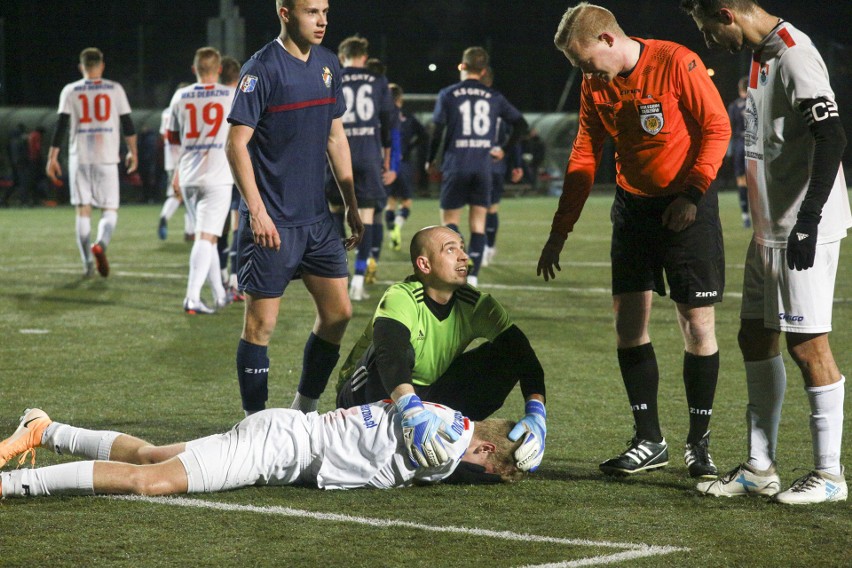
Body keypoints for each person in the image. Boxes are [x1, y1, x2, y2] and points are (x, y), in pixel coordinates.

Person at [537, 3, 731, 479]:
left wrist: (693, 192)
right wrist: (561, 229)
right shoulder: (594, 85)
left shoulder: (675, 62)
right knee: (628, 323)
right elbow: (584, 154)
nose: (588, 75)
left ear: (607, 40)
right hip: (633, 208)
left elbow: (717, 127)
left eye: (586, 63)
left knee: (697, 323)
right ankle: (649, 439)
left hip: (687, 204)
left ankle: (698, 443)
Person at [681, 0, 850, 504]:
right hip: (768, 228)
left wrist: (809, 217)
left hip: (803, 228)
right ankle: (759, 466)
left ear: (728, 13)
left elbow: (832, 135)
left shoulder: (796, 54)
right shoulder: (760, 53)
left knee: (807, 346)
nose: (708, 39)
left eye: (709, 28)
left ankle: (830, 476)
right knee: (754, 336)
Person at [226, 0, 363, 416]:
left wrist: (351, 204)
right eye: (311, 12)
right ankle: (255, 422)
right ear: (285, 13)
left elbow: (335, 138)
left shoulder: (327, 64)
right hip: (274, 223)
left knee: (339, 314)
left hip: (318, 221)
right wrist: (257, 211)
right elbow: (235, 144)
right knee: (260, 326)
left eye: (324, 11)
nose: (322, 20)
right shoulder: (261, 68)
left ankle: (304, 406)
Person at [337, 225, 547, 472]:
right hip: (364, 394)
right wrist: (411, 410)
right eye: (450, 250)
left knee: (509, 354)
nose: (463, 256)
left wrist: (537, 414)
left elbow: (524, 355)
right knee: (400, 349)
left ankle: (451, 444)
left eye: (462, 248)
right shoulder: (401, 296)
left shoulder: (479, 305)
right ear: (425, 265)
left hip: (426, 394)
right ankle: (386, 438)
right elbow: (390, 356)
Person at [0, 404, 525, 499]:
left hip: (285, 431)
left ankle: (44, 430)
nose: (475, 474)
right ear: (482, 445)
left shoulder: (446, 417)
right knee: (148, 481)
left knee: (151, 455)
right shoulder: (451, 443)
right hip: (280, 447)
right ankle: (11, 484)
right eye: (487, 467)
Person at [427, 47, 527, 288]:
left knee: (450, 222)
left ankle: (455, 272)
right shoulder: (494, 97)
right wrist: (503, 148)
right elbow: (521, 124)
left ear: (462, 66)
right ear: (483, 71)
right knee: (478, 224)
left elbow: (437, 129)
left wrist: (431, 159)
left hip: (456, 164)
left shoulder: (448, 94)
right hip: (483, 168)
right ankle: (472, 278)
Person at [46, 47, 138, 278]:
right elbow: (128, 124)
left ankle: (87, 264)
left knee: (83, 210)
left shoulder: (70, 90)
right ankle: (101, 244)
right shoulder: (115, 89)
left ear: (81, 67)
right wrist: (133, 152)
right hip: (106, 157)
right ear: (102, 65)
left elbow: (60, 127)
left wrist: (52, 158)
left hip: (80, 158)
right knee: (109, 209)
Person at [167, 47, 237, 314]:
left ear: (194, 69)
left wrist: (174, 172)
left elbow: (173, 139)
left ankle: (219, 294)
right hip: (217, 175)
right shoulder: (231, 95)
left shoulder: (180, 96)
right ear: (219, 70)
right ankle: (192, 297)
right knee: (206, 238)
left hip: (188, 174)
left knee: (206, 237)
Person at [335, 36, 396, 301]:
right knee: (366, 221)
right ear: (364, 55)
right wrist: (387, 159)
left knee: (336, 216)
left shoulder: (332, 76)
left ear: (343, 56)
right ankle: (358, 281)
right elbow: (388, 122)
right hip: (369, 156)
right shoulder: (378, 81)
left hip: (338, 156)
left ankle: (340, 277)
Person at [479, 66, 524, 268]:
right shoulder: (499, 103)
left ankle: (483, 249)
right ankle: (487, 247)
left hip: (476, 163)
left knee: (478, 209)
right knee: (489, 208)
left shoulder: (471, 103)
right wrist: (517, 164)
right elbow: (514, 135)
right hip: (495, 164)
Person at [384, 83, 427, 252]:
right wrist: (410, 146)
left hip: (387, 165)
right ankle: (397, 226)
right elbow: (424, 135)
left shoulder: (382, 116)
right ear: (400, 98)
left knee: (390, 201)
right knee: (406, 201)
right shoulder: (408, 117)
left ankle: (391, 229)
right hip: (404, 164)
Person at [217, 55, 245, 301]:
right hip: (236, 167)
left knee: (217, 228)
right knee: (237, 226)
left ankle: (221, 277)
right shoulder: (242, 94)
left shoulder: (210, 95)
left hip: (211, 171)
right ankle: (236, 280)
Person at [157, 82, 192, 242]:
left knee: (176, 195)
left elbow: (164, 135)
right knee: (190, 196)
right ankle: (190, 231)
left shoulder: (165, 112)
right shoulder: (185, 108)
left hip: (169, 158)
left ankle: (165, 216)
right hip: (184, 157)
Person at [727, 76, 751, 228]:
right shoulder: (756, 104)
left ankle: (745, 216)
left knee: (741, 180)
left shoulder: (734, 106)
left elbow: (728, 128)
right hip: (754, 144)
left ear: (739, 89)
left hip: (738, 145)